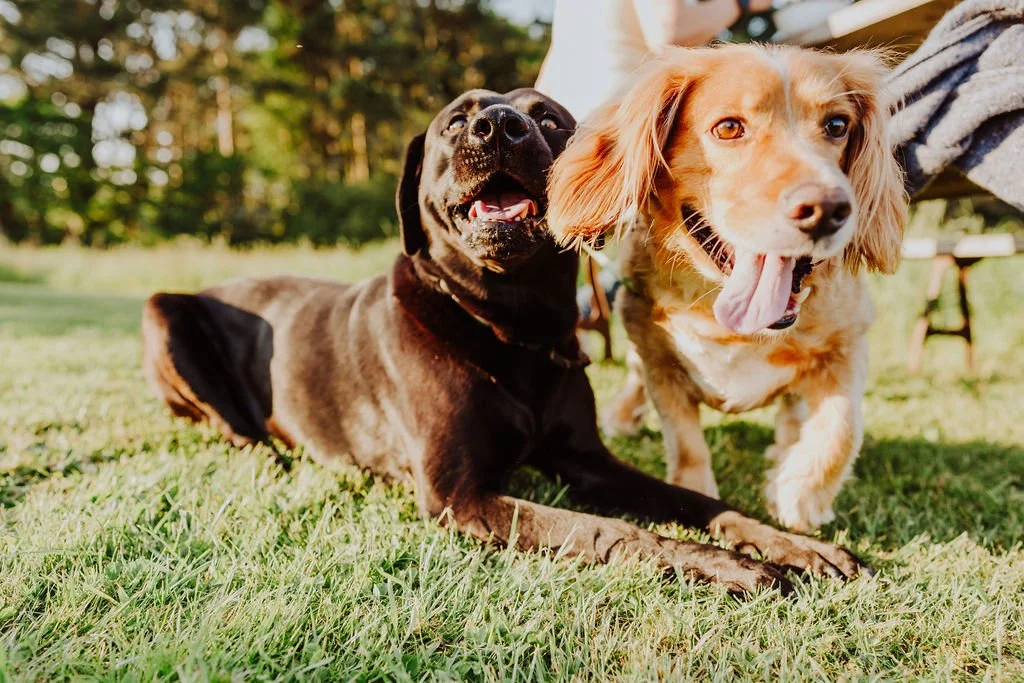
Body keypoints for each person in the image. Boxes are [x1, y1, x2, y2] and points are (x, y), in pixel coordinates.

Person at [536, 0, 774, 122]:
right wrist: (741, 3)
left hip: (570, 130)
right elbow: (671, 31)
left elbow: (551, 69)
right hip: (623, 124)